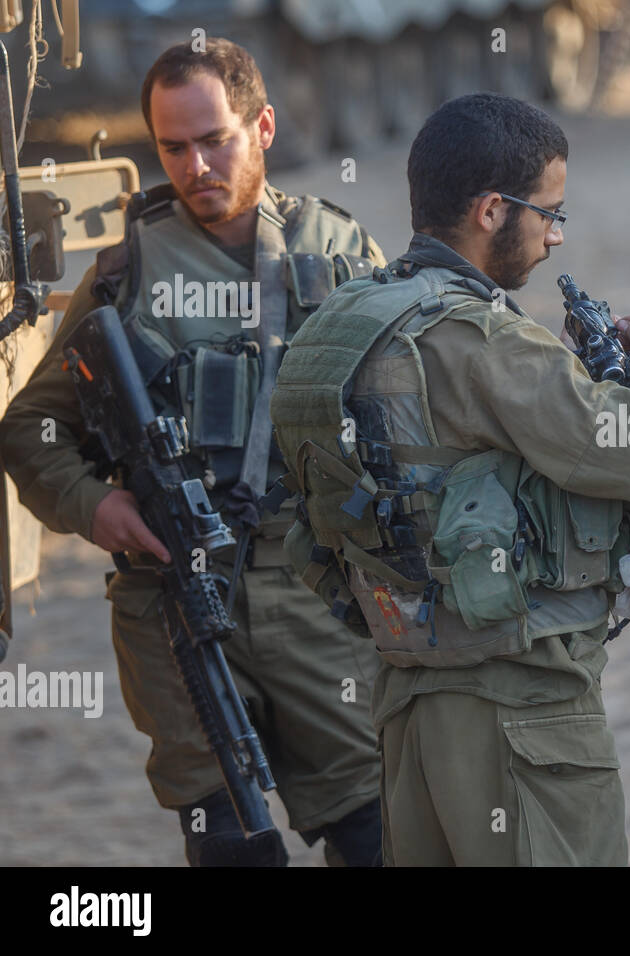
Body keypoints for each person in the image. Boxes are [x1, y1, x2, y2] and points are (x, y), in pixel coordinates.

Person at [269, 92, 630, 866]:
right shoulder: (478, 336)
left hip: (406, 702)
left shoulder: (339, 325)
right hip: (520, 709)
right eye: (548, 213)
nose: (556, 236)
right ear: (491, 211)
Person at [0, 39, 384, 866]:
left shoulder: (340, 251)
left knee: (374, 832)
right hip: (174, 606)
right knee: (232, 844)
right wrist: (95, 506)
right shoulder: (124, 275)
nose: (195, 164)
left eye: (216, 139)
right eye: (172, 147)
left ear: (265, 125)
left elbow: (412, 410)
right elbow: (31, 428)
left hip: (315, 602)